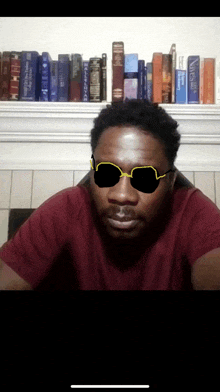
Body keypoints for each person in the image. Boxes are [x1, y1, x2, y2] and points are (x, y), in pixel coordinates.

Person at [1, 99, 220, 290]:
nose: (122, 195)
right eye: (107, 173)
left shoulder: (193, 212)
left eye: (144, 178)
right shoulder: (66, 208)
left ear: (170, 182)